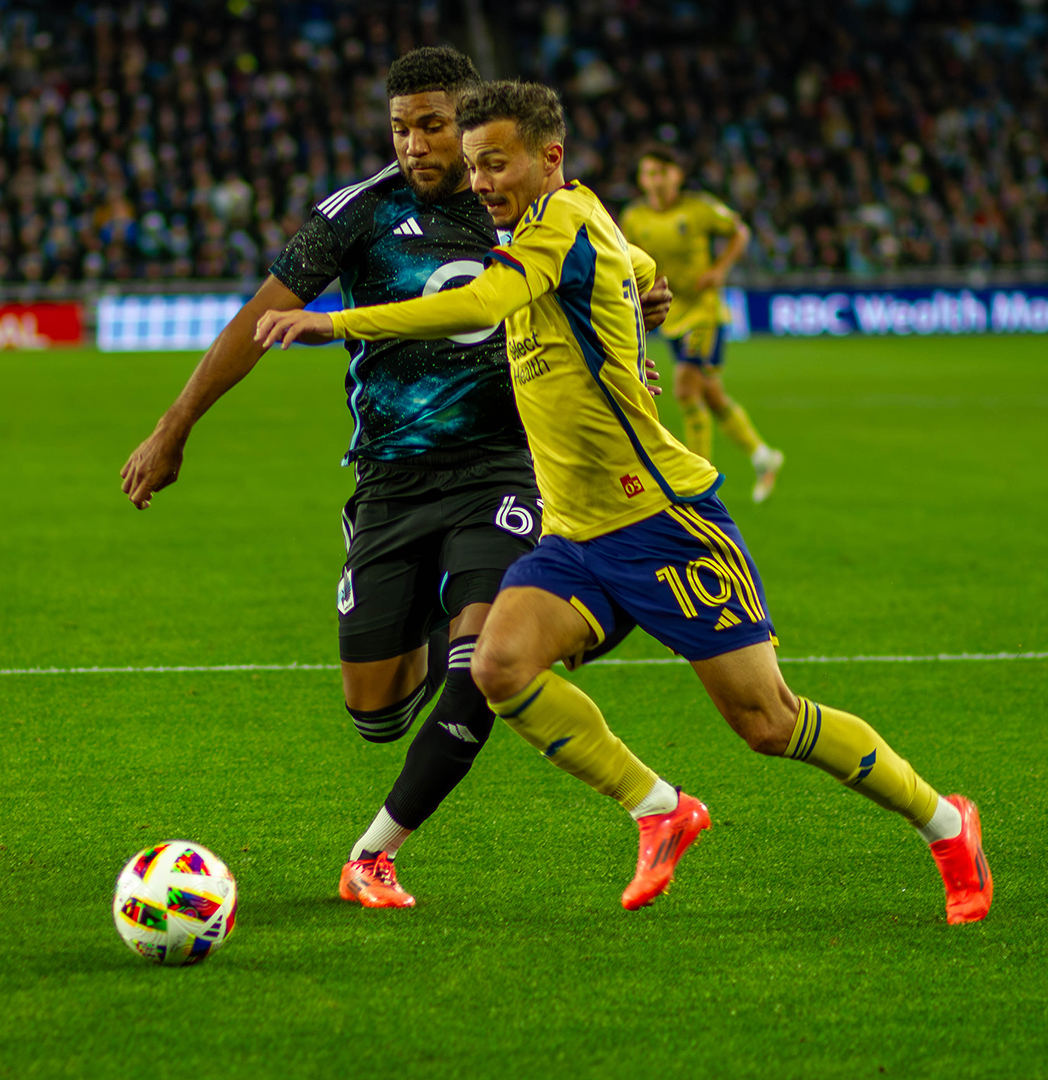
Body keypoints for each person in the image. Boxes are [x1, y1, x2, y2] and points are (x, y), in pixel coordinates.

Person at [256, 81, 993, 924]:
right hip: (575, 534)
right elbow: (639, 264)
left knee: (767, 720)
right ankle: (659, 809)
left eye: (495, 164)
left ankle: (944, 822)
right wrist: (642, 290)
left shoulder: (559, 224)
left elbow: (485, 300)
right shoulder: (569, 223)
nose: (482, 182)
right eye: (473, 167)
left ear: (549, 157)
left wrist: (339, 323)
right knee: (498, 668)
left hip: (662, 522)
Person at [121, 48, 670, 911]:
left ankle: (375, 855)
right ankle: (429, 615)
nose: (415, 144)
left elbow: (615, 272)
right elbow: (254, 321)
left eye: (433, 125)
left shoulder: (527, 207)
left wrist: (640, 316)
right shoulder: (358, 215)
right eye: (400, 127)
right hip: (390, 482)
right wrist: (173, 426)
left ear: (473, 120)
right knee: (374, 712)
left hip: (506, 470)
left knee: (484, 658)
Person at [620, 145, 784, 503]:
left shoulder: (698, 208)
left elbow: (740, 232)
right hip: (672, 315)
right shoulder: (634, 218)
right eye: (648, 174)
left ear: (676, 176)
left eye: (662, 173)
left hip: (704, 313)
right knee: (710, 393)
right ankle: (762, 456)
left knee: (684, 389)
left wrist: (719, 270)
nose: (655, 181)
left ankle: (698, 482)